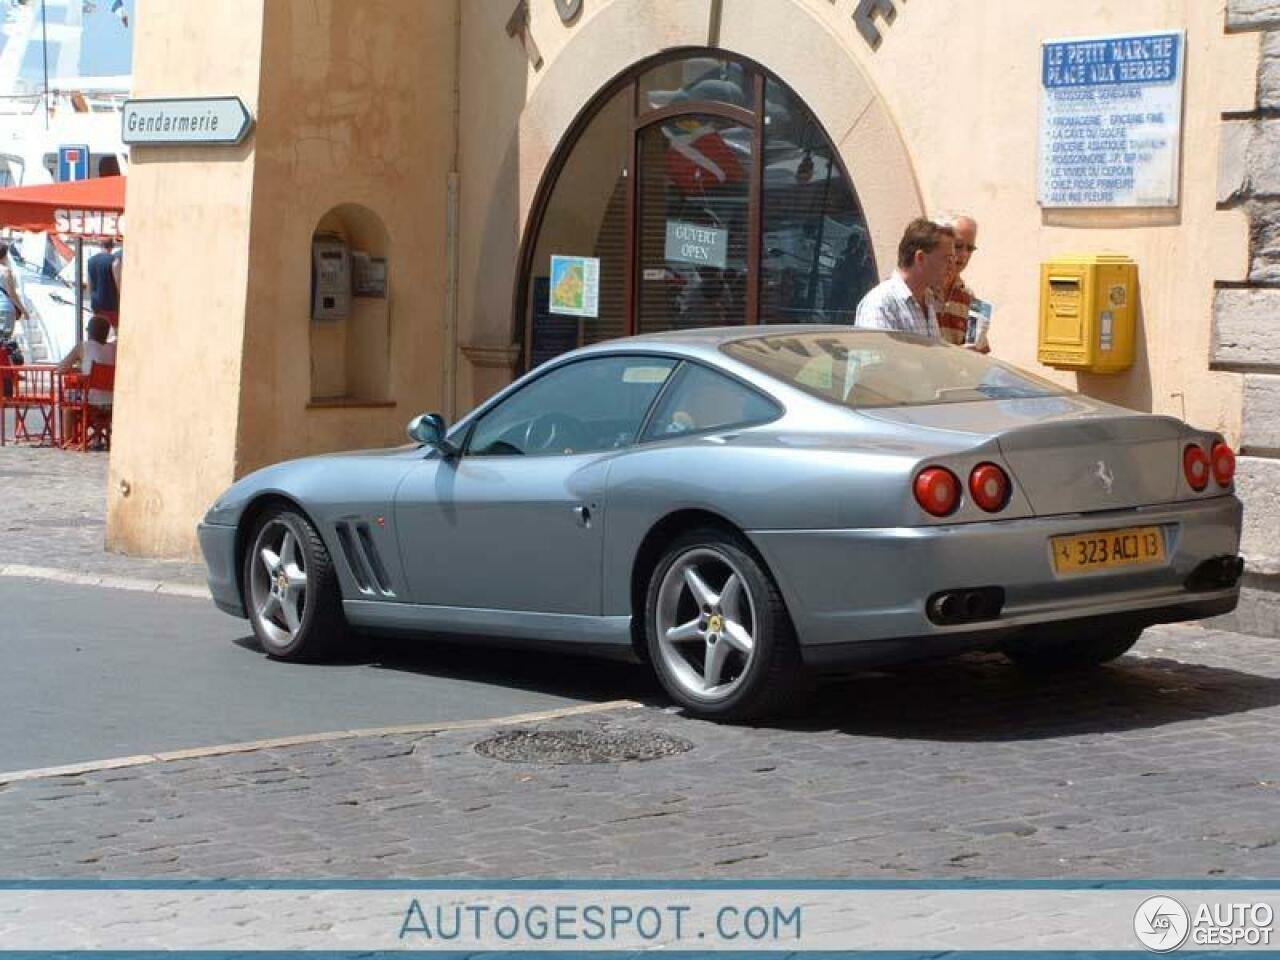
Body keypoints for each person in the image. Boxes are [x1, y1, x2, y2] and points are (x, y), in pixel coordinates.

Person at [854, 218, 954, 337]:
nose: (952, 266)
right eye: (947, 259)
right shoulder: (881, 304)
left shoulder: (928, 301)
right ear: (921, 258)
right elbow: (874, 354)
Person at [57, 314, 116, 444]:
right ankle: (98, 437)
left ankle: (69, 440)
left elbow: (61, 368)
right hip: (111, 402)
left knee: (68, 405)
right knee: (77, 398)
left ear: (89, 331)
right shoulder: (113, 349)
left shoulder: (83, 346)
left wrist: (78, 369)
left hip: (91, 401)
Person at [937, 214, 989, 353]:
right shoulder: (920, 290)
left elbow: (980, 352)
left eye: (970, 248)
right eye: (958, 246)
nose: (964, 254)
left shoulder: (970, 298)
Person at [86, 237, 122, 330]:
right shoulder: (115, 260)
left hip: (96, 304)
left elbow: (89, 285)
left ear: (100, 245)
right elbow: (118, 283)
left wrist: (92, 299)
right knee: (115, 331)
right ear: (112, 246)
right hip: (111, 303)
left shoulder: (91, 261)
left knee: (99, 331)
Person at [0, 241, 28, 340]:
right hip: (5, 309)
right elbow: (12, 294)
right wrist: (24, 311)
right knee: (4, 341)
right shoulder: (6, 271)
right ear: (5, 255)